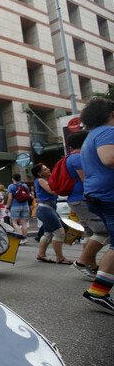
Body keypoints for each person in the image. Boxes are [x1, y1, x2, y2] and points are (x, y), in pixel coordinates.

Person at [79, 97, 114, 315]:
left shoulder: (92, 135)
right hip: (109, 195)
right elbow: (109, 159)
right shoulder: (107, 132)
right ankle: (98, 291)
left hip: (98, 195)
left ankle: (99, 290)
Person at [61, 130, 109, 279]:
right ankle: (82, 262)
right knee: (104, 231)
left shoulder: (72, 157)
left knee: (90, 232)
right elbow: (86, 179)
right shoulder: (78, 158)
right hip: (83, 199)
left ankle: (91, 266)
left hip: (79, 199)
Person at [31, 164, 73, 264]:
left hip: (48, 208)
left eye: (47, 167)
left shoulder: (46, 180)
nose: (48, 169)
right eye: (45, 169)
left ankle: (41, 255)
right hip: (45, 209)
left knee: (48, 233)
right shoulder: (40, 180)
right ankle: (60, 258)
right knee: (59, 232)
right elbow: (51, 190)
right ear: (39, 173)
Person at [6, 173, 30, 244]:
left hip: (15, 205)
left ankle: (21, 239)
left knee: (14, 222)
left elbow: (10, 198)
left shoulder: (11, 186)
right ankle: (25, 238)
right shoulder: (24, 185)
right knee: (24, 223)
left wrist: (7, 206)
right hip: (25, 205)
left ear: (13, 179)